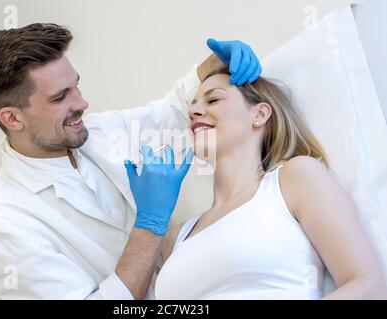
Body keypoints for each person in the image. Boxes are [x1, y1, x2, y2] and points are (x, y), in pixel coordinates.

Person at [0, 23, 261, 299]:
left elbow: (172, 112)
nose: (81, 104)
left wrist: (214, 63)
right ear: (12, 118)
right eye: (60, 98)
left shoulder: (97, 132)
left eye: (76, 86)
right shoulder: (5, 227)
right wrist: (149, 225)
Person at [125, 67, 387, 299]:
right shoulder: (175, 238)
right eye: (191, 107)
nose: (193, 112)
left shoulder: (294, 178)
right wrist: (148, 220)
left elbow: (368, 287)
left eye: (213, 99)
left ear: (260, 114)